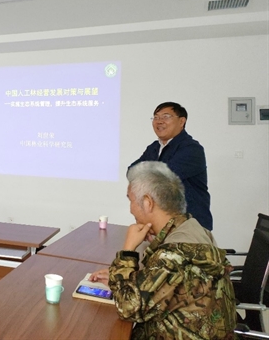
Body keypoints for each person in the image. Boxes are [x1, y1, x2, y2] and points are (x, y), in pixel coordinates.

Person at [89, 161, 236, 340]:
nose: (130, 209)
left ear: (147, 203)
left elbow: (127, 309)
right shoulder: (192, 227)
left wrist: (128, 252)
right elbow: (165, 284)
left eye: (130, 200)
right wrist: (123, 279)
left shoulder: (173, 254)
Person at [129, 102, 213, 231]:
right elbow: (131, 171)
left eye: (166, 117)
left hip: (189, 225)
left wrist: (146, 171)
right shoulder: (154, 147)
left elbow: (164, 177)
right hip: (160, 224)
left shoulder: (192, 149)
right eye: (156, 117)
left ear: (181, 121)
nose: (159, 121)